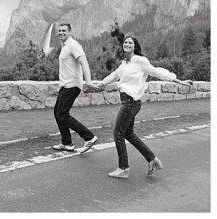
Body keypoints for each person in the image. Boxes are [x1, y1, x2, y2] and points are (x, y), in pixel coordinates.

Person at [90, 35, 191, 179]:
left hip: (130, 102)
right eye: (125, 42)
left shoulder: (140, 61)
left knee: (118, 133)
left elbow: (157, 71)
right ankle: (152, 159)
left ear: (135, 46)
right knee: (128, 134)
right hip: (129, 101)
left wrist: (179, 81)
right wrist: (100, 83)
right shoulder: (125, 63)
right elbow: (115, 75)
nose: (127, 44)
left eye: (130, 43)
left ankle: (123, 168)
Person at [44, 23, 97, 153]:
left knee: (62, 113)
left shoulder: (73, 45)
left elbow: (84, 63)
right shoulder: (65, 46)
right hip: (65, 85)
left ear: (70, 32)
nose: (61, 32)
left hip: (72, 85)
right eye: (59, 31)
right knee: (57, 112)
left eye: (64, 30)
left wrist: (88, 81)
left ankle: (89, 137)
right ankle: (67, 143)